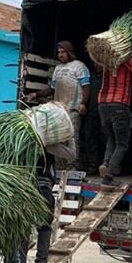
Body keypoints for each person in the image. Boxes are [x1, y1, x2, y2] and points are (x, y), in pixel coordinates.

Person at [28, 41, 91, 169]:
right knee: (58, 138)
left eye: (63, 52)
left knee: (72, 138)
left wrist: (83, 104)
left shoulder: (79, 66)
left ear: (69, 52)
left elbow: (86, 86)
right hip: (59, 111)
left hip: (73, 108)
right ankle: (60, 166)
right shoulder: (57, 69)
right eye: (59, 52)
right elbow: (52, 89)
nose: (60, 55)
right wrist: (36, 94)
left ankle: (73, 165)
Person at [98, 46, 132, 186]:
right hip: (119, 105)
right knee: (122, 144)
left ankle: (105, 163)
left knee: (111, 138)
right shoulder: (126, 59)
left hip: (102, 104)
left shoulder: (106, 61)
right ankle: (109, 176)